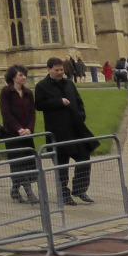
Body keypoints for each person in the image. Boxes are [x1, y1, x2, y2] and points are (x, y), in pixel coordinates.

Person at [35, 56, 94, 204]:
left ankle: (80, 189)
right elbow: (39, 105)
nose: (60, 72)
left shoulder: (69, 83)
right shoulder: (42, 86)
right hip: (58, 131)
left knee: (84, 158)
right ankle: (64, 193)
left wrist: (81, 115)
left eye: (61, 69)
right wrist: (58, 102)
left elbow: (79, 101)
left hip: (75, 129)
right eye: (57, 70)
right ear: (49, 70)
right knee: (62, 165)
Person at [0, 65, 39, 203]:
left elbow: (32, 113)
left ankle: (15, 190)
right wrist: (18, 129)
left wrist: (29, 129)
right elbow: (6, 113)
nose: (24, 77)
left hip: (26, 134)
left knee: (28, 162)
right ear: (13, 77)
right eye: (21, 75)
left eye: (24, 75)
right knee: (18, 163)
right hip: (12, 134)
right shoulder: (6, 92)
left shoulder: (28, 93)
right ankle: (29, 192)